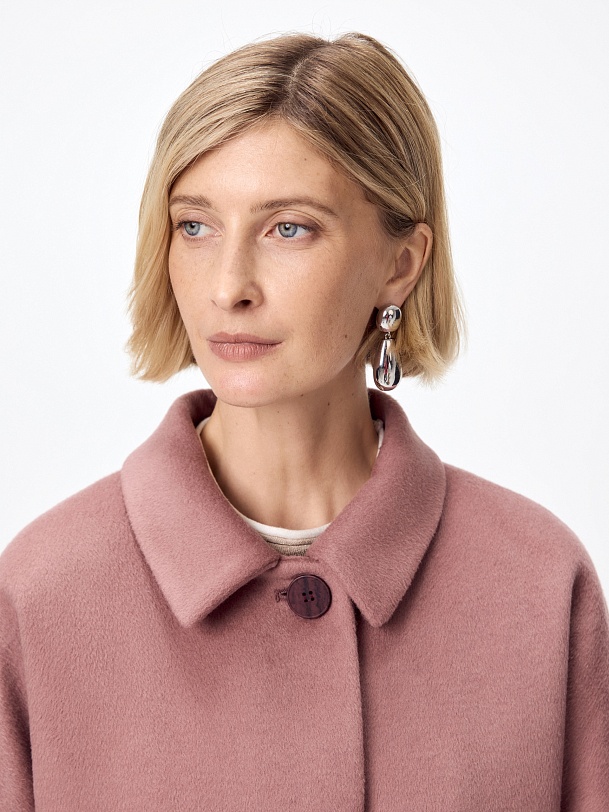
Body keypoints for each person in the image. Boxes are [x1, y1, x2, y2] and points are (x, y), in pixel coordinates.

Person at [1, 31, 608, 811]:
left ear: (400, 264)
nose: (229, 286)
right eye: (195, 226)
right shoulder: (46, 594)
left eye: (288, 228)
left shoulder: (534, 586)